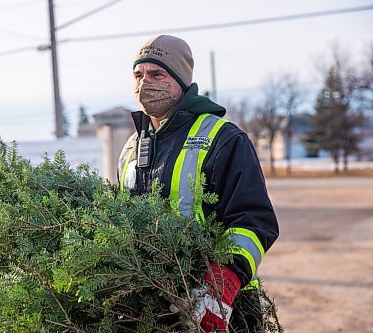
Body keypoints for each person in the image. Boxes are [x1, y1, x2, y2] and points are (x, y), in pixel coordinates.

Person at [117, 35, 279, 332]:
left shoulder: (224, 139)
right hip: (151, 307)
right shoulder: (130, 147)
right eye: (138, 75)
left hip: (220, 308)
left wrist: (220, 288)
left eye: (157, 74)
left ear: (181, 81)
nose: (144, 84)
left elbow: (254, 222)